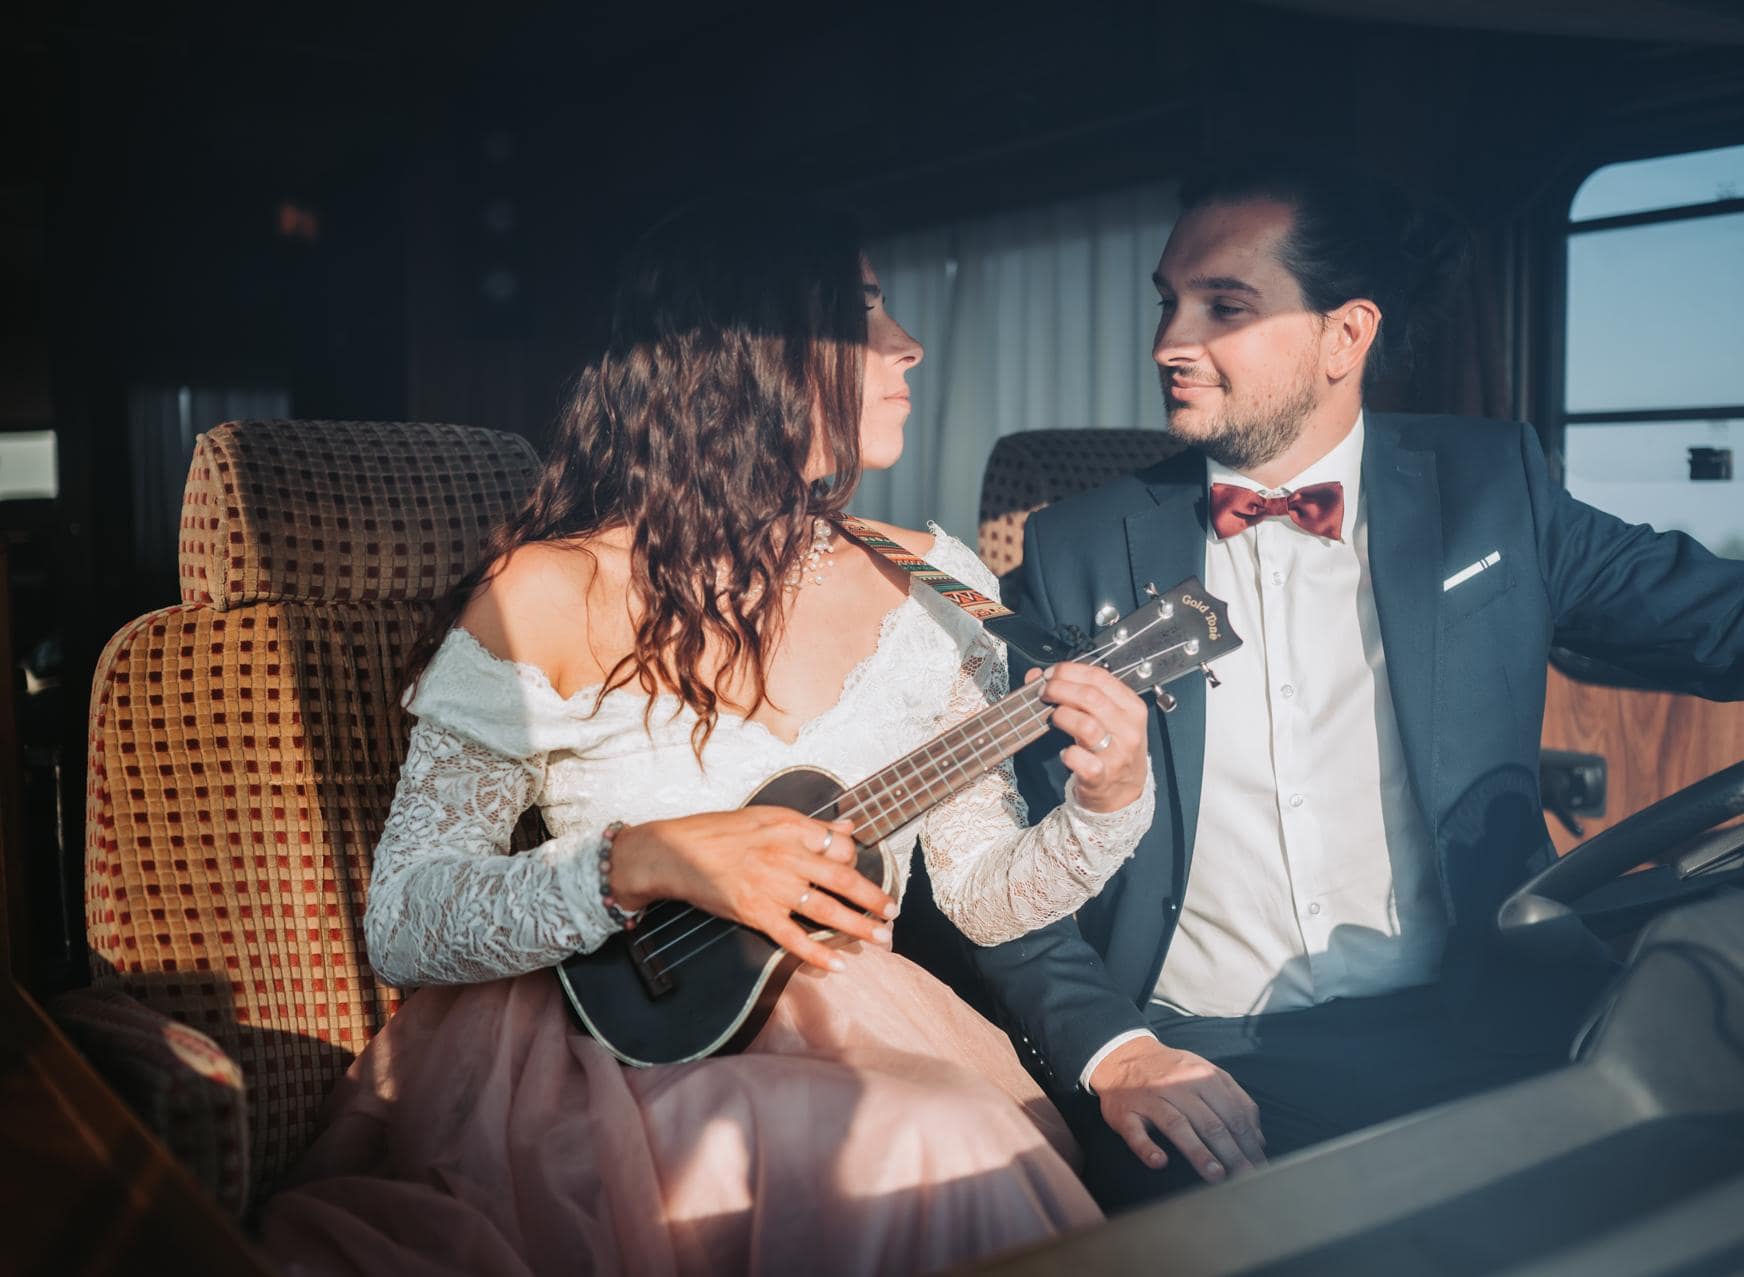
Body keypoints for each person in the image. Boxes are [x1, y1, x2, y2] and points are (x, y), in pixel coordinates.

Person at [965, 158, 1744, 1210]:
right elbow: (989, 854)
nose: (1167, 343)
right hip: (1201, 1057)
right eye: (1168, 302)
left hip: (1482, 1018)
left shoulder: (1491, 490)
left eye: (1223, 306)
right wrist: (1114, 1048)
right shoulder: (1075, 550)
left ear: (1347, 334)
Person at [258, 200, 1157, 1276]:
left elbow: (976, 892)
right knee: (934, 1141)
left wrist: (1106, 803)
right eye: (861, 309)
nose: (908, 343)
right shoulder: (547, 590)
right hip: (612, 1057)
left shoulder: (939, 582)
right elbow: (404, 918)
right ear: (747, 352)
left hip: (867, 1031)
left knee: (935, 1131)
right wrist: (641, 858)